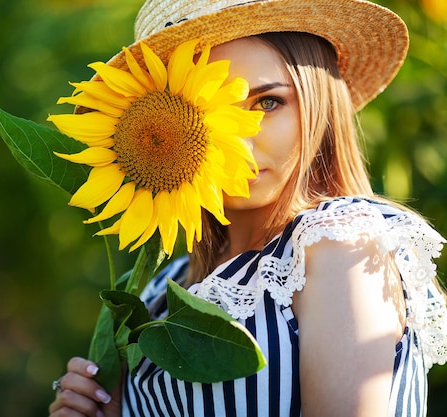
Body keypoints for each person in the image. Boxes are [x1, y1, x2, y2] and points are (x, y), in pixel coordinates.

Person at [48, 0, 447, 416]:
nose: (236, 143)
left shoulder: (336, 246)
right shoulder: (160, 288)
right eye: (203, 113)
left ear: (319, 105)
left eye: (267, 103)